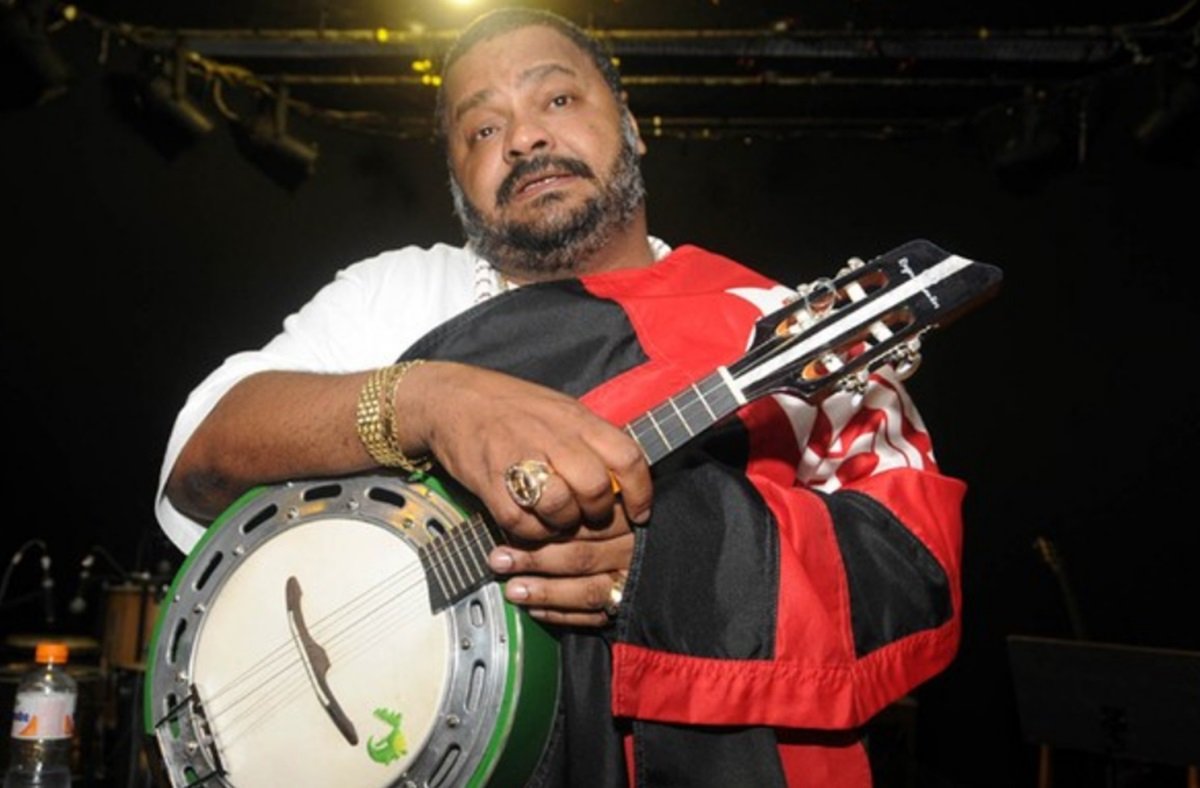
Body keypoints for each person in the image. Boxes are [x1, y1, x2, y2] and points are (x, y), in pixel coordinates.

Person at [154, 7, 965, 786]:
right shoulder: (395, 296)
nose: (524, 138)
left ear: (632, 125)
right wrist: (427, 400)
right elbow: (200, 462)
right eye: (483, 129)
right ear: (456, 177)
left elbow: (915, 574)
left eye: (558, 99)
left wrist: (672, 565)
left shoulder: (774, 327)